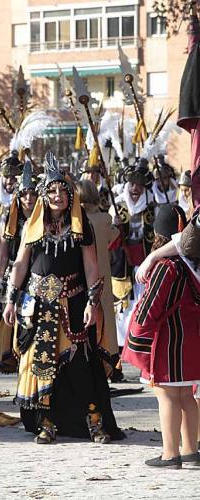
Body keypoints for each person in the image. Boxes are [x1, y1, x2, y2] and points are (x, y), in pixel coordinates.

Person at [3, 152, 122, 444]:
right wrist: (9, 298)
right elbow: (19, 264)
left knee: (79, 366)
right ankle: (47, 423)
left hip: (73, 303)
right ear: (44, 195)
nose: (57, 196)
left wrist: (93, 304)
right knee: (41, 364)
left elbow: (92, 266)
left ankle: (94, 422)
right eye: (52, 191)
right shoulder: (33, 226)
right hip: (37, 306)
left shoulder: (82, 227)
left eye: (62, 191)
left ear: (71, 195)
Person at [124, 205, 199, 468]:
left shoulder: (166, 266)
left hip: (170, 340)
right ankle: (190, 450)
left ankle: (171, 453)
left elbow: (149, 307)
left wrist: (136, 334)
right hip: (191, 338)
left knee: (166, 395)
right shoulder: (193, 263)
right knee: (187, 396)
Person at [0, 161, 37, 373]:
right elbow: (4, 251)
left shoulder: (45, 216)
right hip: (15, 273)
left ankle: (29, 359)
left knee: (29, 319)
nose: (29, 198)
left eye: (33, 193)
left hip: (36, 274)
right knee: (11, 316)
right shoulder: (10, 216)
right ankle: (15, 359)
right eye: (25, 193)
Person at [109, 162, 155, 377]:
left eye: (139, 184)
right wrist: (114, 226)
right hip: (122, 267)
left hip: (147, 266)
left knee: (145, 311)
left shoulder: (153, 207)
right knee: (122, 314)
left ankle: (146, 361)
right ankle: (116, 362)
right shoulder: (116, 206)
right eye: (132, 184)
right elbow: (108, 242)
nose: (135, 188)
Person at [78, 180, 120, 376]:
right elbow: (115, 235)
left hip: (83, 275)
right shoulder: (104, 219)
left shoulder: (77, 220)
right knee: (106, 322)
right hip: (102, 275)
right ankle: (108, 362)